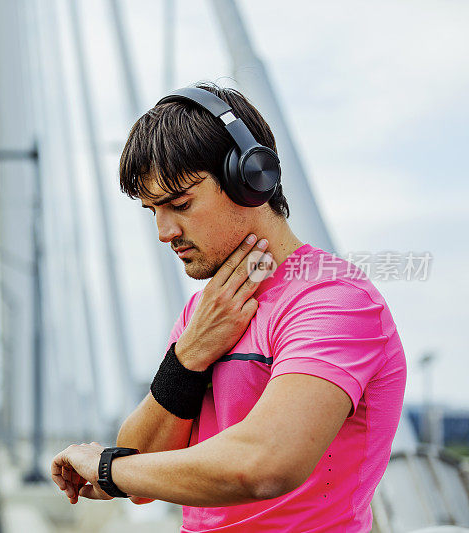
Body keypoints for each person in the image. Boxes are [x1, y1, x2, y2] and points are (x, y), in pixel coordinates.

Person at [50, 82, 406, 532]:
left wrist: (106, 468)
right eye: (152, 210)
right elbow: (144, 475)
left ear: (252, 179)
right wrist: (189, 355)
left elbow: (266, 463)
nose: (164, 231)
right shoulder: (206, 313)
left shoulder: (335, 302)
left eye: (179, 204)